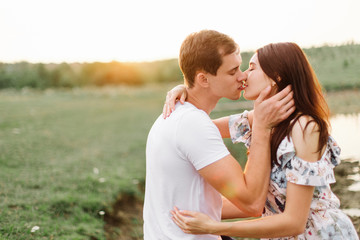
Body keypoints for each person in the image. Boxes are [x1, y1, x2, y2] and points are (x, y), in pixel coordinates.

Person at [168, 42, 359, 239]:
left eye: (251, 68)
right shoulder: (260, 118)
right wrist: (186, 92)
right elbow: (197, 128)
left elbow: (294, 222)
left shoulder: (304, 127)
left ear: (276, 76)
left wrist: (214, 227)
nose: (243, 75)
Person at [143, 30, 295, 240]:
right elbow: (251, 203)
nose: (242, 76)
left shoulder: (179, 118)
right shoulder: (192, 124)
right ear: (204, 79)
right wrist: (261, 128)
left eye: (242, 67)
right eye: (233, 72)